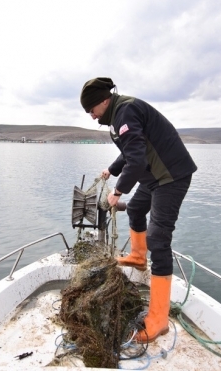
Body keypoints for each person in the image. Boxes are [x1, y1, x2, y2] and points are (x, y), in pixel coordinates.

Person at [80, 77, 197, 343]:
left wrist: (117, 191)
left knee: (159, 238)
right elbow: (131, 150)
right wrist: (112, 169)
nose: (91, 116)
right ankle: (137, 257)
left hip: (171, 176)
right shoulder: (119, 113)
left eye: (91, 110)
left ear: (103, 101)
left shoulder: (125, 111)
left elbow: (137, 159)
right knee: (135, 211)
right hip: (153, 177)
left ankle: (158, 319)